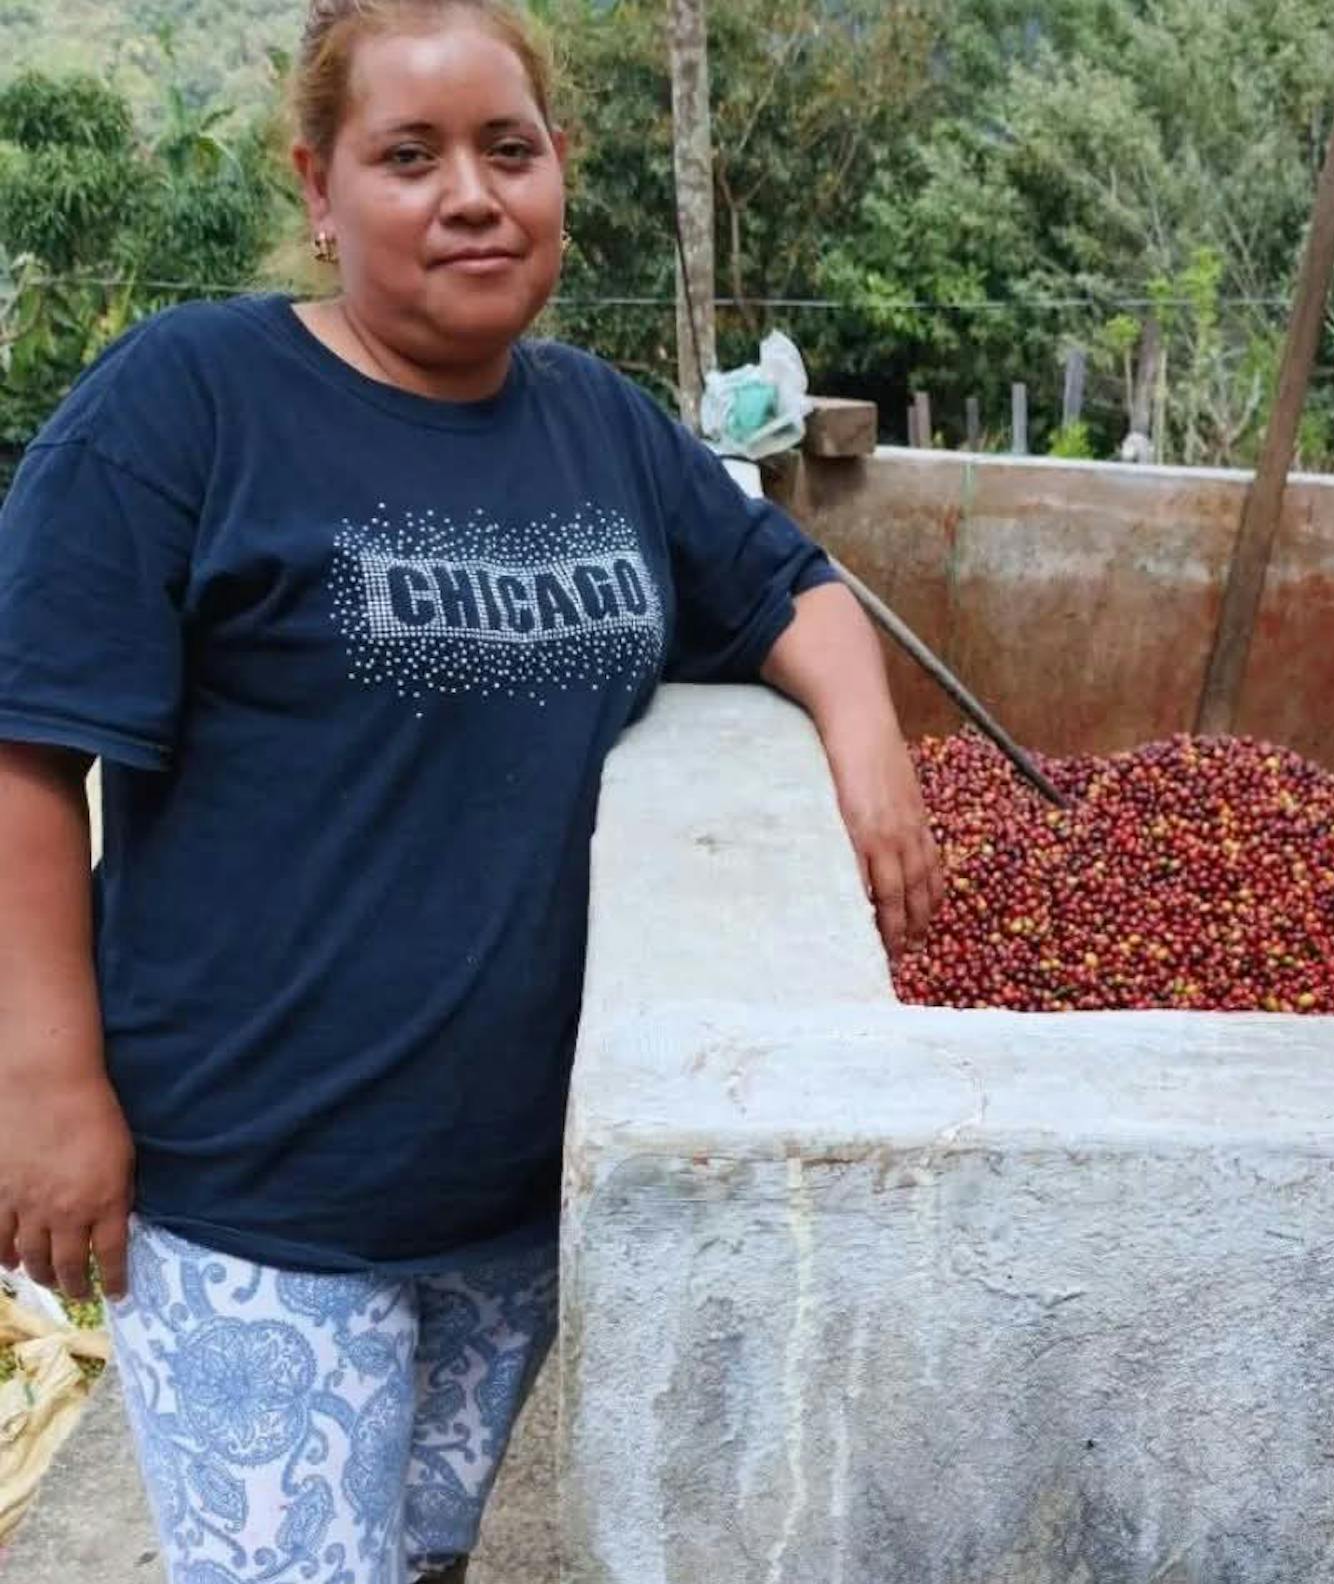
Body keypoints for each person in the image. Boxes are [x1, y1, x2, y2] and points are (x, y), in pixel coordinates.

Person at [0, 2, 943, 1579]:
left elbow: (793, 592)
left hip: (513, 1202)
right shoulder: (187, 403)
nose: (470, 194)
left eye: (509, 150)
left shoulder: (599, 427)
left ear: (561, 169)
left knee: (425, 1553)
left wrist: (869, 751)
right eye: (408, 155)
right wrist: (44, 1086)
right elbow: (28, 746)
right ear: (319, 186)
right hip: (255, 1195)